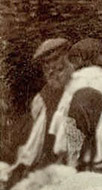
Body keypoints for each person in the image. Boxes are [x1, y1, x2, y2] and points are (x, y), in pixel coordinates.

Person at [49, 38, 102, 170]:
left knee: (71, 152)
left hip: (76, 125)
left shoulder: (77, 79)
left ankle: (72, 163)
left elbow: (64, 106)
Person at [11, 38, 75, 177]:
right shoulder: (43, 99)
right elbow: (35, 140)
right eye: (46, 64)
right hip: (54, 162)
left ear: (68, 58)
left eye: (56, 60)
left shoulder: (82, 87)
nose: (51, 68)